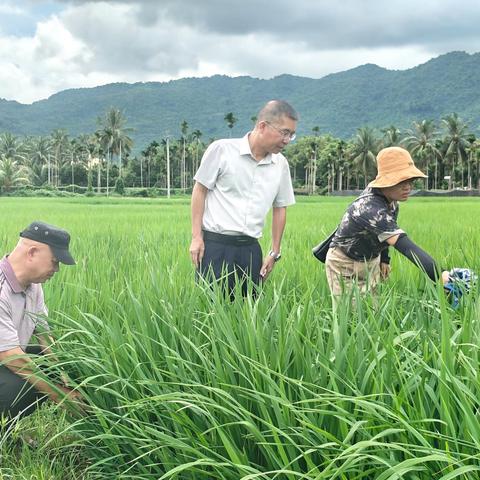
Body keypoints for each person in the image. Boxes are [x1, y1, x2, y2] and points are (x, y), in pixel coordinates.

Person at [189, 100, 297, 297]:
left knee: (248, 317)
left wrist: (274, 252)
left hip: (250, 250)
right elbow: (200, 190)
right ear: (262, 126)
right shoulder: (222, 150)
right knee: (210, 313)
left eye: (291, 134)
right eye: (284, 132)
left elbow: (280, 207)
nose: (287, 140)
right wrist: (196, 237)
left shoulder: (280, 164)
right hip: (215, 247)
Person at [325, 146, 450, 306]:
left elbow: (383, 235)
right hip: (344, 265)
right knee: (351, 318)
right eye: (401, 182)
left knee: (372, 314)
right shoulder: (369, 208)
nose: (408, 187)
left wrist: (385, 259)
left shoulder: (392, 202)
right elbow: (405, 246)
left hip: (370, 261)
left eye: (410, 181)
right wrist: (440, 274)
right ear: (386, 181)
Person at [0, 221, 82, 420]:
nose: (57, 269)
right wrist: (60, 394)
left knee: (70, 364)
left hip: (7, 358)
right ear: (32, 252)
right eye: (55, 261)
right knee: (19, 389)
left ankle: (8, 431)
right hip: (7, 357)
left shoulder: (33, 286)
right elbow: (11, 356)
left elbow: (45, 334)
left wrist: (64, 374)